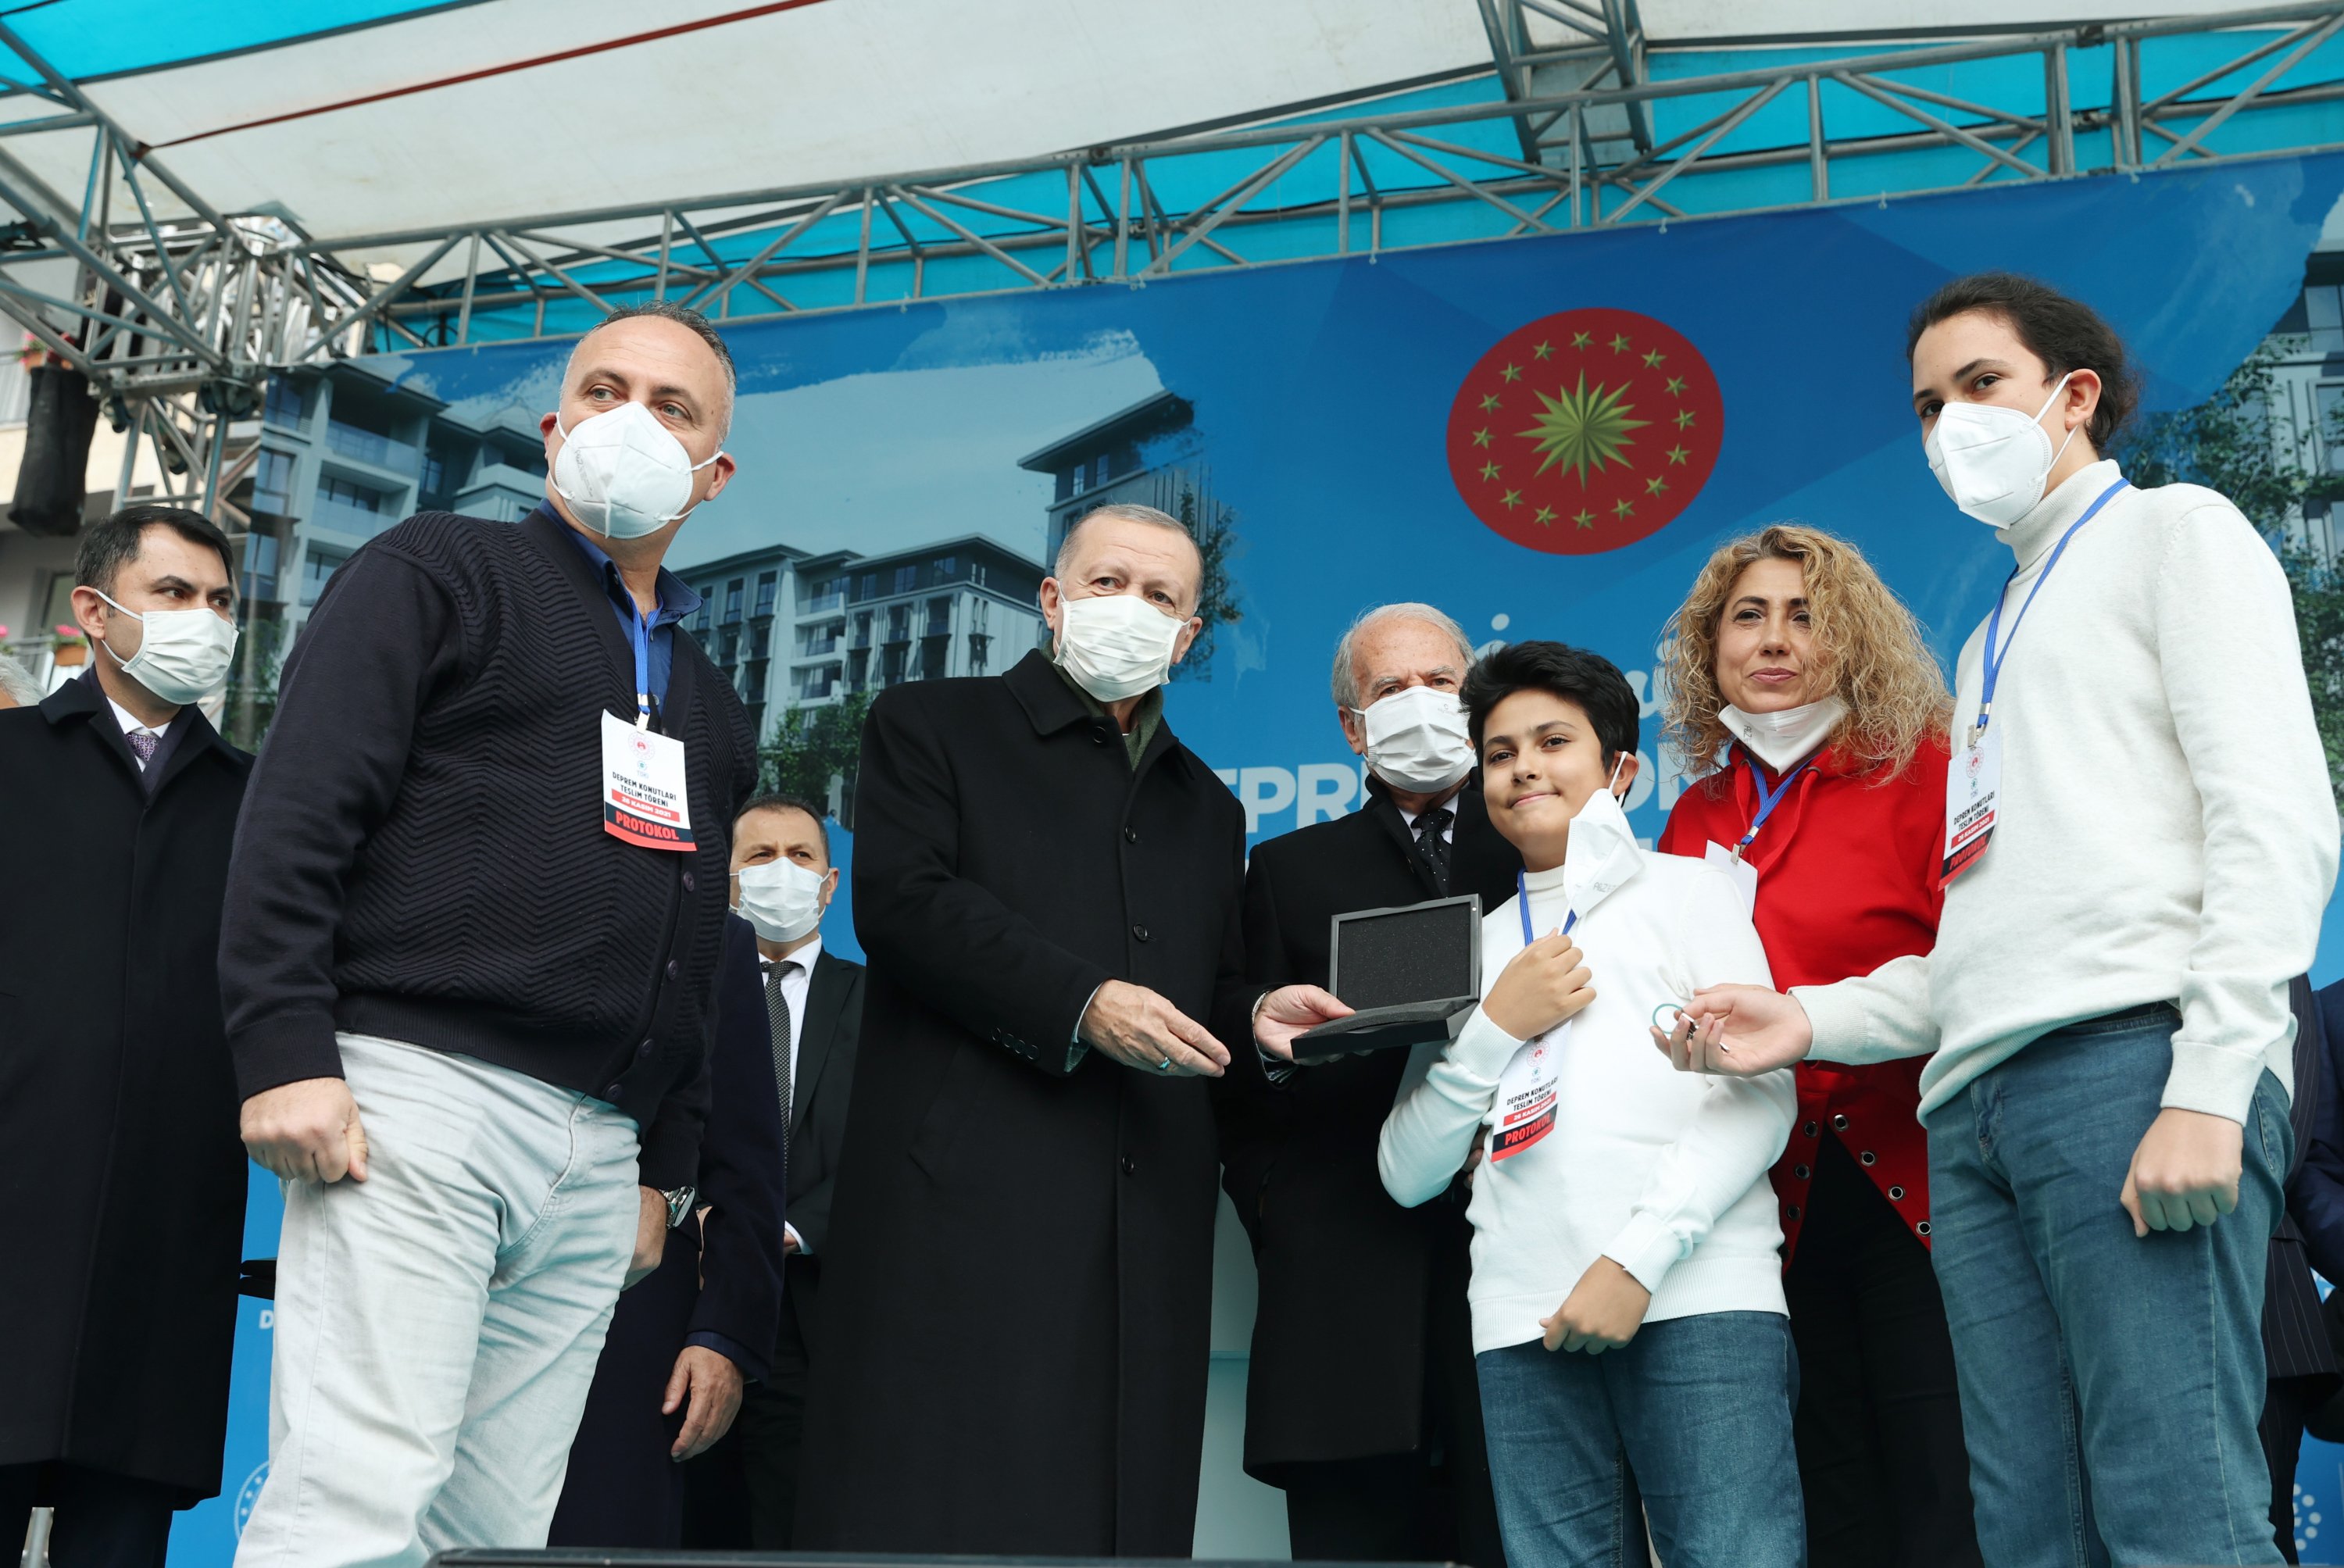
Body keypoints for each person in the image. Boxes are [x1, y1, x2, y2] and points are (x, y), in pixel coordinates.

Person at [1660, 272, 2339, 1567]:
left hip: (2130, 1067)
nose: (1948, 423)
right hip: (1969, 1111)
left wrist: (2213, 1078)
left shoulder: (2175, 534)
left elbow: (2277, 820)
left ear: (2074, 395)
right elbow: (1978, 947)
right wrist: (1804, 1015)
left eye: (1981, 385)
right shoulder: (1989, 638)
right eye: (1927, 404)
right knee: (2027, 1530)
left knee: (2173, 1508)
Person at [220, 299, 759, 1565]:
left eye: (671, 407)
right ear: (555, 423)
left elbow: (695, 947)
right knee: (357, 1501)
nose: (632, 422)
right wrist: (285, 1047)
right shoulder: (436, 568)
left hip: (596, 1153)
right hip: (417, 1104)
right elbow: (299, 811)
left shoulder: (711, 699)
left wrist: (658, 1167)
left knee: (494, 1534)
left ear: (714, 471)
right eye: (607, 390)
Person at [793, 502, 1346, 1557]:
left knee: (1120, 1511)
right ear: (1051, 599)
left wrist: (1257, 1010)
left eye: (1162, 597)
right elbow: (905, 903)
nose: (1130, 609)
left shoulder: (1206, 806)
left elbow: (1203, 982)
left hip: (1147, 1214)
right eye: (1106, 583)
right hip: (963, 1202)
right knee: (940, 1503)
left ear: (1189, 636)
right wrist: (1082, 999)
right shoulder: (929, 724)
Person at [1379, 640, 1801, 1568]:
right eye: (1498, 752)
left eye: (1553, 741)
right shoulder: (1455, 948)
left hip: (1697, 1299)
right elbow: (1407, 1172)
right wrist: (1493, 1027)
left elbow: (1761, 1100)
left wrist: (1636, 1262)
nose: (1524, 766)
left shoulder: (1694, 889)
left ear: (1621, 768)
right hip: (1517, 1316)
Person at [1653, 523, 1978, 1567]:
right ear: (1711, 648)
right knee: (1823, 1496)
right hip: (1763, 1207)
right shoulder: (1693, 816)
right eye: (1748, 614)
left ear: (1856, 636)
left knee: (1951, 1484)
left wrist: (1803, 1012)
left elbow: (1976, 967)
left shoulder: (1931, 767)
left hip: (1924, 1185)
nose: (1776, 636)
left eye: (1807, 613)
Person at [1213, 602, 1515, 1566]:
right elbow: (1243, 1083)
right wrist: (1280, 1208)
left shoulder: (1548, 846)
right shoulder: (1288, 869)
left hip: (1517, 1268)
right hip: (1344, 1284)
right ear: (1352, 727)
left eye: (1441, 682)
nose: (1420, 704)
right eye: (1391, 690)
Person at [0, 506, 251, 1567]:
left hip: (164, 1234)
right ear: (93, 611)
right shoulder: (8, 759)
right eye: (175, 594)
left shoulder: (259, 802)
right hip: (13, 1215)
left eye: (223, 602)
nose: (206, 620)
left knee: (120, 1531)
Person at [547, 903, 788, 1548]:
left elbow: (747, 1159)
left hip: (639, 1301)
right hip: (468, 1258)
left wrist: (724, 1335)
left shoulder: (717, 932)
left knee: (606, 1529)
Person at [696, 794, 868, 1548]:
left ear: (830, 884)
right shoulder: (682, 997)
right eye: (758, 857)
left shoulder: (883, 1005)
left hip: (820, 1324)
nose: (781, 872)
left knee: (795, 1539)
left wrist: (785, 1230)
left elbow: (894, 1144)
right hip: (691, 1308)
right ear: (727, 879)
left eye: (800, 856)